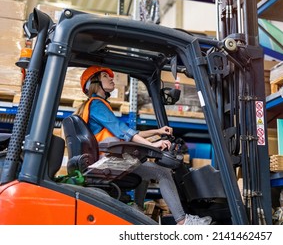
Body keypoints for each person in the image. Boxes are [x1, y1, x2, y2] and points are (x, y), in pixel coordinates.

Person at [74, 65, 212, 225]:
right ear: (95, 81)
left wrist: (157, 131)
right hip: (106, 162)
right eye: (106, 76)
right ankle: (183, 221)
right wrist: (154, 146)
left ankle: (138, 210)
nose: (112, 78)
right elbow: (123, 132)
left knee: (144, 161)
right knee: (163, 172)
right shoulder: (97, 105)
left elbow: (129, 132)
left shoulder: (94, 106)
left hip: (105, 159)